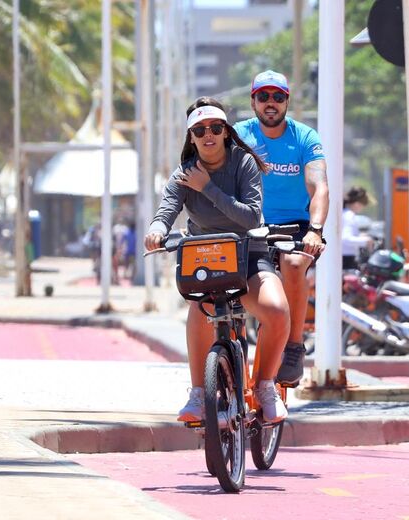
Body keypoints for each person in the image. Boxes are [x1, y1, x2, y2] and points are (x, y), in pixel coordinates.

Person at [144, 97, 290, 423]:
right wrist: (156, 229)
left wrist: (207, 187)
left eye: (214, 128)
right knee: (199, 308)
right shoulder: (184, 173)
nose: (207, 135)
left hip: (248, 255)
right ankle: (198, 393)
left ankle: (265, 386)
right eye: (199, 130)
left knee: (277, 311)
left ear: (225, 131)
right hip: (205, 260)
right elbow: (167, 209)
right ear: (191, 137)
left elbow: (251, 218)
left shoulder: (243, 164)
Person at [234, 70, 329, 386]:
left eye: (278, 97)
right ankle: (225, 351)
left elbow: (320, 188)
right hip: (249, 223)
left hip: (295, 227)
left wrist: (315, 229)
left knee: (292, 263)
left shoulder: (305, 138)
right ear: (253, 102)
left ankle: (293, 346)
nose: (270, 103)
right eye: (264, 97)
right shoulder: (238, 135)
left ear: (287, 101)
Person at [342, 186, 374, 270]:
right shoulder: (349, 216)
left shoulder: (344, 213)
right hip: (346, 260)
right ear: (357, 204)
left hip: (343, 258)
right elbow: (346, 239)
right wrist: (366, 241)